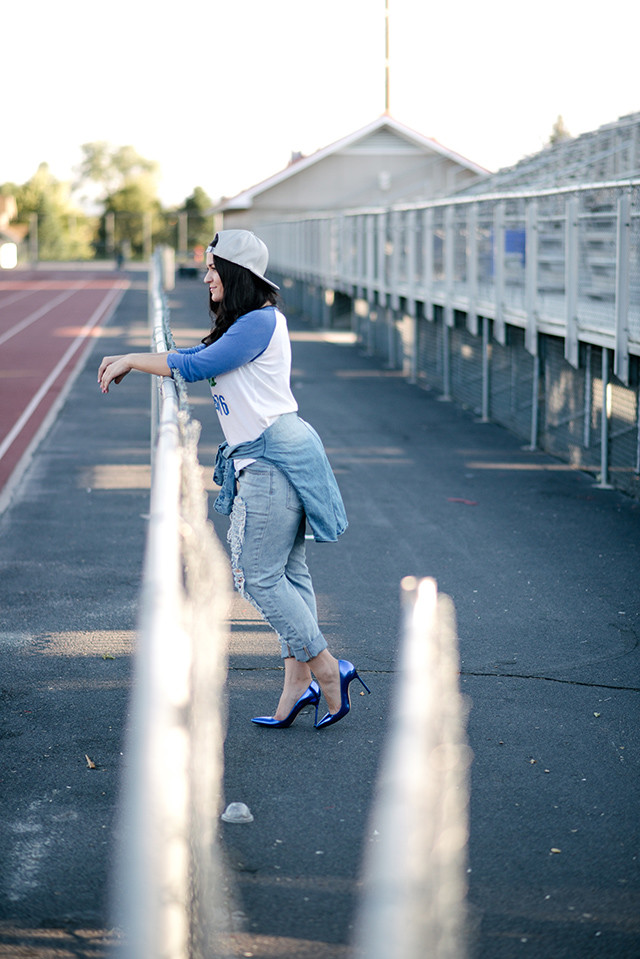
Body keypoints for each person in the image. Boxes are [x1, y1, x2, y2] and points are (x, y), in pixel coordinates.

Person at [98, 229, 370, 729]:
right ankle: (297, 683)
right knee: (289, 574)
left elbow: (197, 367)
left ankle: (328, 668)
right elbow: (198, 359)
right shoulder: (247, 322)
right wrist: (138, 359)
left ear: (236, 273)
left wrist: (133, 360)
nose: (205, 277)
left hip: (273, 459)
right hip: (268, 455)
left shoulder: (260, 322)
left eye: (212, 268)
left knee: (258, 575)